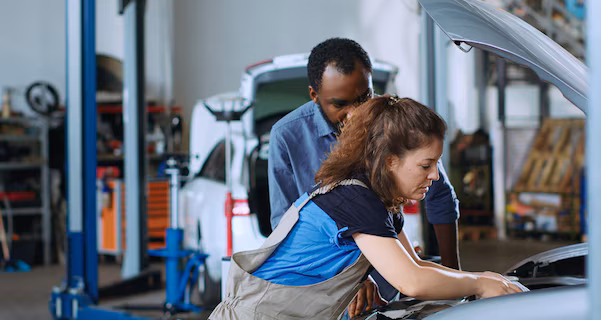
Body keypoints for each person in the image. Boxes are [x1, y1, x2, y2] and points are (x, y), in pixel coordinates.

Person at [209, 96, 522, 320]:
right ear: (390, 161)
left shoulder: (378, 200)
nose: (435, 175)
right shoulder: (355, 199)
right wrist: (479, 283)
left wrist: (485, 277)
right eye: (426, 164)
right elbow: (410, 281)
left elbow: (419, 266)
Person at [268, 38, 460, 315]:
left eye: (364, 99)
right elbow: (285, 227)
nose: (355, 114)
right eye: (340, 104)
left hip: (391, 283)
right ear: (314, 94)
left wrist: (454, 274)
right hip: (327, 285)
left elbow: (439, 197)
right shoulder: (287, 136)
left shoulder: (390, 125)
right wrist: (350, 277)